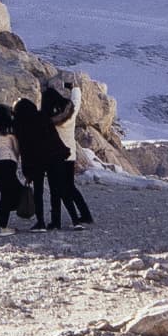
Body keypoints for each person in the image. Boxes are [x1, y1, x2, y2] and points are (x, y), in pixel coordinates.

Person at [40, 74, 93, 227]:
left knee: (54, 189)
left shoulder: (47, 120)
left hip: (53, 157)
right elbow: (76, 100)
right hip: (69, 155)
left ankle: (55, 220)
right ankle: (85, 214)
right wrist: (73, 88)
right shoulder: (71, 112)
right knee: (70, 187)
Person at [0, 100, 33, 231]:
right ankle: (3, 226)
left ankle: (1, 223)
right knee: (12, 193)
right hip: (7, 163)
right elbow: (17, 150)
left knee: (7, 193)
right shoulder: (10, 133)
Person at [12, 85, 51, 224]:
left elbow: (25, 151)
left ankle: (40, 221)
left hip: (33, 162)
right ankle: (55, 220)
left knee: (38, 192)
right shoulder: (41, 120)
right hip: (48, 158)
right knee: (53, 191)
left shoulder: (20, 127)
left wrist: (27, 172)